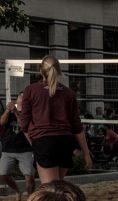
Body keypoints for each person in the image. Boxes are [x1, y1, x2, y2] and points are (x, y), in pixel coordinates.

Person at [17, 55, 93, 185]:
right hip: (65, 141)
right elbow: (77, 126)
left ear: (41, 71)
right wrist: (86, 153)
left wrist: (34, 141)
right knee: (58, 185)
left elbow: (24, 123)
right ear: (59, 71)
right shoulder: (69, 93)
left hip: (44, 140)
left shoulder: (31, 90)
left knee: (50, 189)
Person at [0, 95, 36, 201]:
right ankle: (17, 191)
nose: (22, 98)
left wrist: (15, 112)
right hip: (8, 149)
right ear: (17, 99)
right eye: (20, 96)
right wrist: (7, 110)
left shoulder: (29, 113)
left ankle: (30, 199)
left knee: (29, 176)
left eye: (25, 96)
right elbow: (2, 123)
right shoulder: (8, 111)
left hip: (25, 149)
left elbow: (24, 124)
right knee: (3, 173)